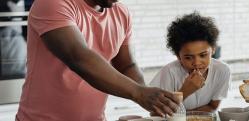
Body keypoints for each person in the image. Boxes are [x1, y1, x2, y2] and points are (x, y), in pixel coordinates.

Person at [16, 0, 179, 120]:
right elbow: (78, 57)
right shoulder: (52, 3)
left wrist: (152, 98)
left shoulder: (121, 13)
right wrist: (138, 93)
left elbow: (127, 65)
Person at [149, 12, 231, 113]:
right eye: (188, 57)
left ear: (213, 49)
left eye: (203, 55)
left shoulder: (222, 71)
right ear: (178, 56)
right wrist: (185, 91)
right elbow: (157, 113)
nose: (196, 63)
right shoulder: (169, 73)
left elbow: (212, 107)